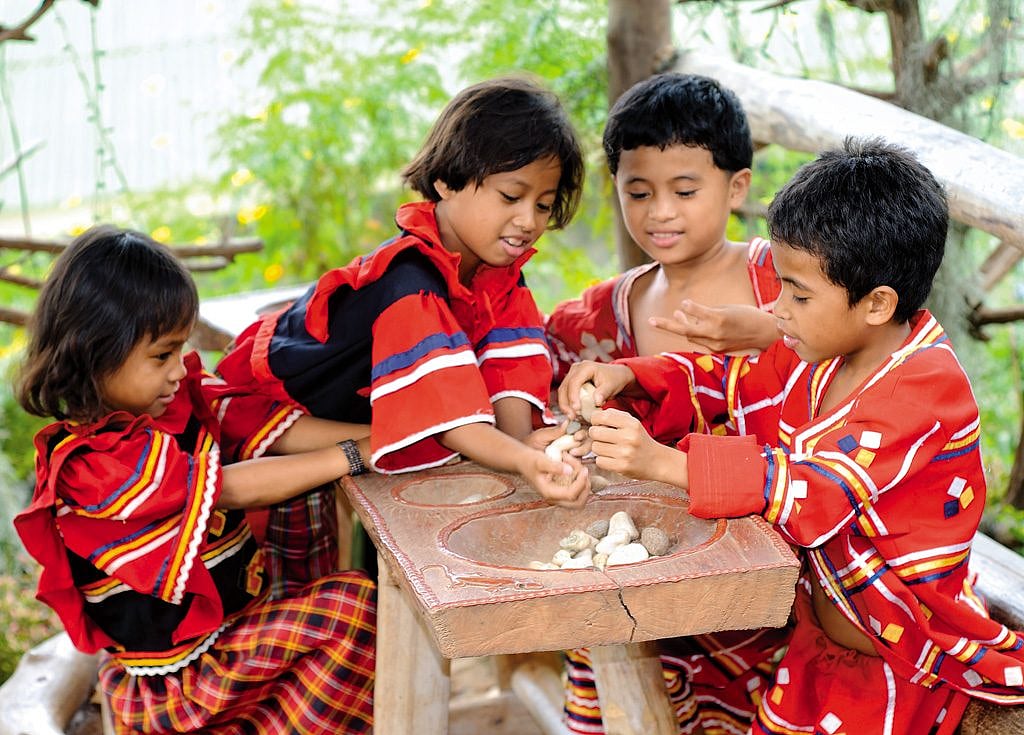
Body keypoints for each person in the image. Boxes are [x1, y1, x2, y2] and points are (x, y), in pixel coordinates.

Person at [559, 138, 1024, 734]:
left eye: (798, 295)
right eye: (780, 287)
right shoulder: (823, 353)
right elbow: (733, 384)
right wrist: (630, 375)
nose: (777, 311)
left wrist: (662, 463)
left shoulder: (925, 387)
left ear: (878, 303)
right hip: (818, 645)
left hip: (897, 661)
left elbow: (814, 489)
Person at [14, 226, 377, 734]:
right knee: (352, 610)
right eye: (161, 356)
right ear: (93, 353)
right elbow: (229, 487)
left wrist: (384, 436)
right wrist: (354, 456)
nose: (176, 371)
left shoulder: (170, 405)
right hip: (179, 688)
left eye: (178, 350)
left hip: (230, 637)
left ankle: (286, 709)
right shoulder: (93, 466)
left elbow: (264, 427)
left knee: (304, 498)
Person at [217, 75, 590, 507]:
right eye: (511, 196)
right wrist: (523, 462)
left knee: (444, 440)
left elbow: (509, 371)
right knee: (430, 442)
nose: (528, 221)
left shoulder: (501, 273)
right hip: (274, 406)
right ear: (448, 181)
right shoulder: (408, 282)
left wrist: (523, 443)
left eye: (543, 205)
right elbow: (451, 423)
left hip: (360, 410)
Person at [549, 73, 788, 735]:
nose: (660, 212)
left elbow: (864, 348)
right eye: (638, 191)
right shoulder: (604, 313)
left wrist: (768, 327)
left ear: (736, 188)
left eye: (685, 190)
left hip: (775, 566)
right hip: (645, 571)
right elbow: (535, 372)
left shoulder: (787, 282)